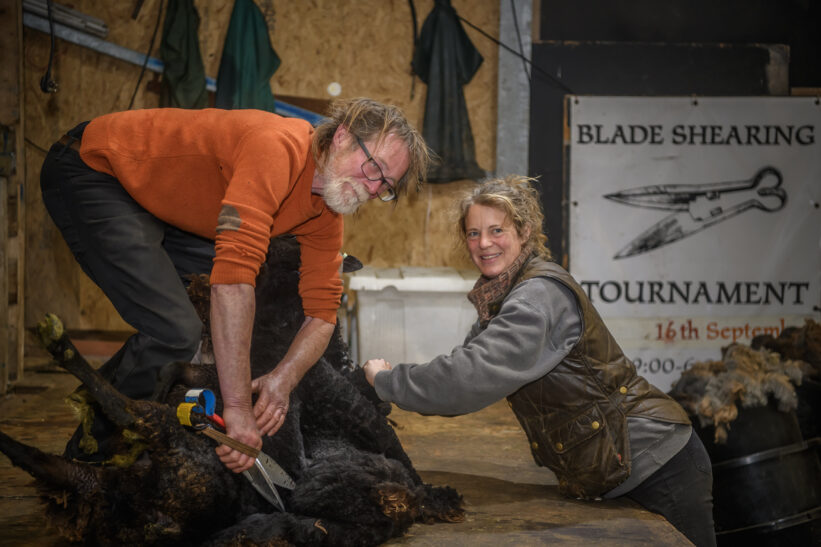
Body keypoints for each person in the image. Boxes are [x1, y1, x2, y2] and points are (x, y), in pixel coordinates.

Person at [40, 98, 428, 474]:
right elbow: (231, 284)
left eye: (387, 187)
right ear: (342, 136)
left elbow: (322, 314)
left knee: (257, 299)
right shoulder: (279, 148)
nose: (374, 189)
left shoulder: (324, 211)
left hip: (162, 202)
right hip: (96, 171)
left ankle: (134, 406)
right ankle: (91, 454)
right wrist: (239, 408)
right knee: (175, 329)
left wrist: (282, 379)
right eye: (374, 168)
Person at [363, 176, 716, 546]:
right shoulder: (504, 295)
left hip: (656, 464)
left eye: (496, 230)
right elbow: (467, 368)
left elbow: (468, 377)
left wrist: (387, 381)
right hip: (617, 467)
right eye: (472, 233)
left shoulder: (536, 297)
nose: (483, 243)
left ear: (525, 231)